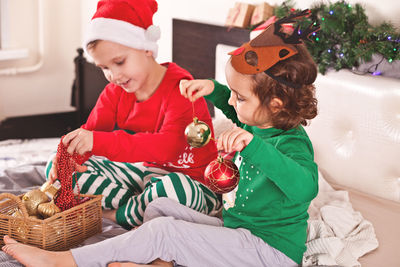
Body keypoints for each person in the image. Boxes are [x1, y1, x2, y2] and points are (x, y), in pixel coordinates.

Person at [2, 11, 319, 267]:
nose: (232, 104)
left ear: (275, 105)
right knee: (160, 209)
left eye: (239, 97)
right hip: (237, 228)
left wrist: (255, 148)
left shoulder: (288, 143)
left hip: (269, 251)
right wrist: (214, 88)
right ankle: (155, 263)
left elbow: (305, 186)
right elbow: (235, 112)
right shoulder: (257, 124)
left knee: (165, 230)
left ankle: (65, 262)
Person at [45, 0, 220, 230]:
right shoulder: (116, 91)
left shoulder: (181, 87)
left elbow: (168, 147)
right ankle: (137, 208)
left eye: (119, 62)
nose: (113, 75)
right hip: (145, 175)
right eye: (104, 68)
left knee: (174, 190)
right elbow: (91, 133)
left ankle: (112, 214)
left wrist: (96, 141)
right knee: (55, 168)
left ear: (146, 48)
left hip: (193, 182)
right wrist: (69, 159)